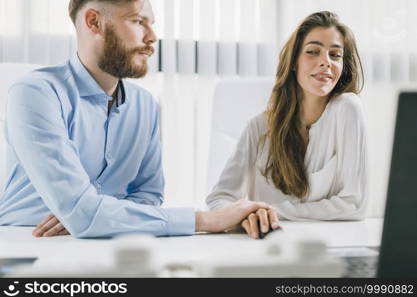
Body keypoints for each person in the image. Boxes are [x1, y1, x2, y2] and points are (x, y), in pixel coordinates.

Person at [0, 0, 279, 238]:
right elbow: (82, 213)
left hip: (113, 241)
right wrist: (207, 220)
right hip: (28, 241)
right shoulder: (36, 93)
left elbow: (147, 196)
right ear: (94, 22)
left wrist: (93, 214)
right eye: (138, 22)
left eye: (151, 23)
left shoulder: (145, 105)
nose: (152, 37)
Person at [207, 11, 368, 239]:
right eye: (313, 52)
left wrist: (268, 211)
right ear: (294, 62)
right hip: (268, 245)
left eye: (335, 55)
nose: (326, 62)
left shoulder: (347, 109)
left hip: (330, 244)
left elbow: (354, 204)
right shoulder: (259, 127)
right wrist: (245, 216)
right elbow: (219, 198)